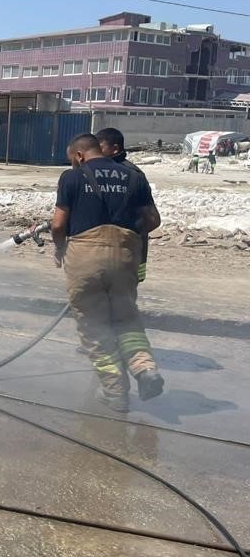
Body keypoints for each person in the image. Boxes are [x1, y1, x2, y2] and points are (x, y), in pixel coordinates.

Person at [51, 133, 164, 413]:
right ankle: (145, 369)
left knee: (94, 326)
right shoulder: (134, 176)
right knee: (127, 318)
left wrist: (59, 248)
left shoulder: (71, 177)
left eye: (73, 160)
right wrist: (126, 238)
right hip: (125, 257)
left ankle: (115, 392)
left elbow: (57, 225)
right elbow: (153, 220)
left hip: (86, 257)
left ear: (79, 155)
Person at [96, 128, 152, 283]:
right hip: (115, 247)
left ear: (115, 148)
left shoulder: (130, 174)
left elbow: (149, 218)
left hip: (125, 247)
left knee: (120, 297)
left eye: (100, 148)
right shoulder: (102, 171)